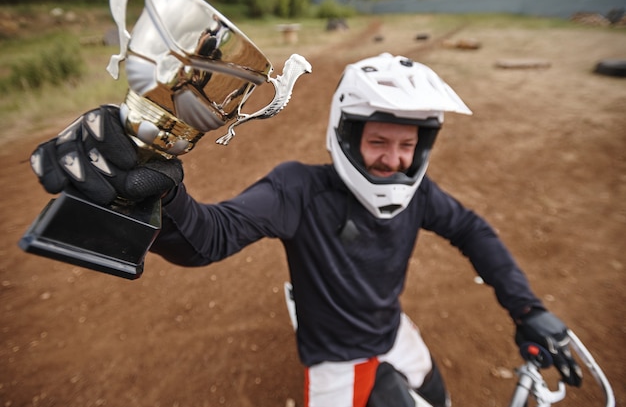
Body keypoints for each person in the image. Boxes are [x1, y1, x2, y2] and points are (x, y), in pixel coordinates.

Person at [30, 53, 582, 407]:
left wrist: (528, 308)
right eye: (379, 141)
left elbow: (473, 230)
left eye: (407, 145)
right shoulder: (298, 189)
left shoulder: (423, 195)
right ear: (348, 134)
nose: (393, 158)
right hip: (334, 359)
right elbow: (212, 237)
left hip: (393, 333)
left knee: (439, 400)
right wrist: (164, 194)